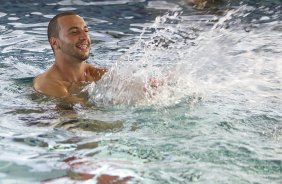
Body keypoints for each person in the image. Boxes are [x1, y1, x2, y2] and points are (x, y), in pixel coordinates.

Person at [33, 12, 107, 105]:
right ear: (55, 42)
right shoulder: (47, 84)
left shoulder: (96, 73)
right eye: (74, 32)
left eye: (86, 30)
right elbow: (80, 117)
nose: (85, 37)